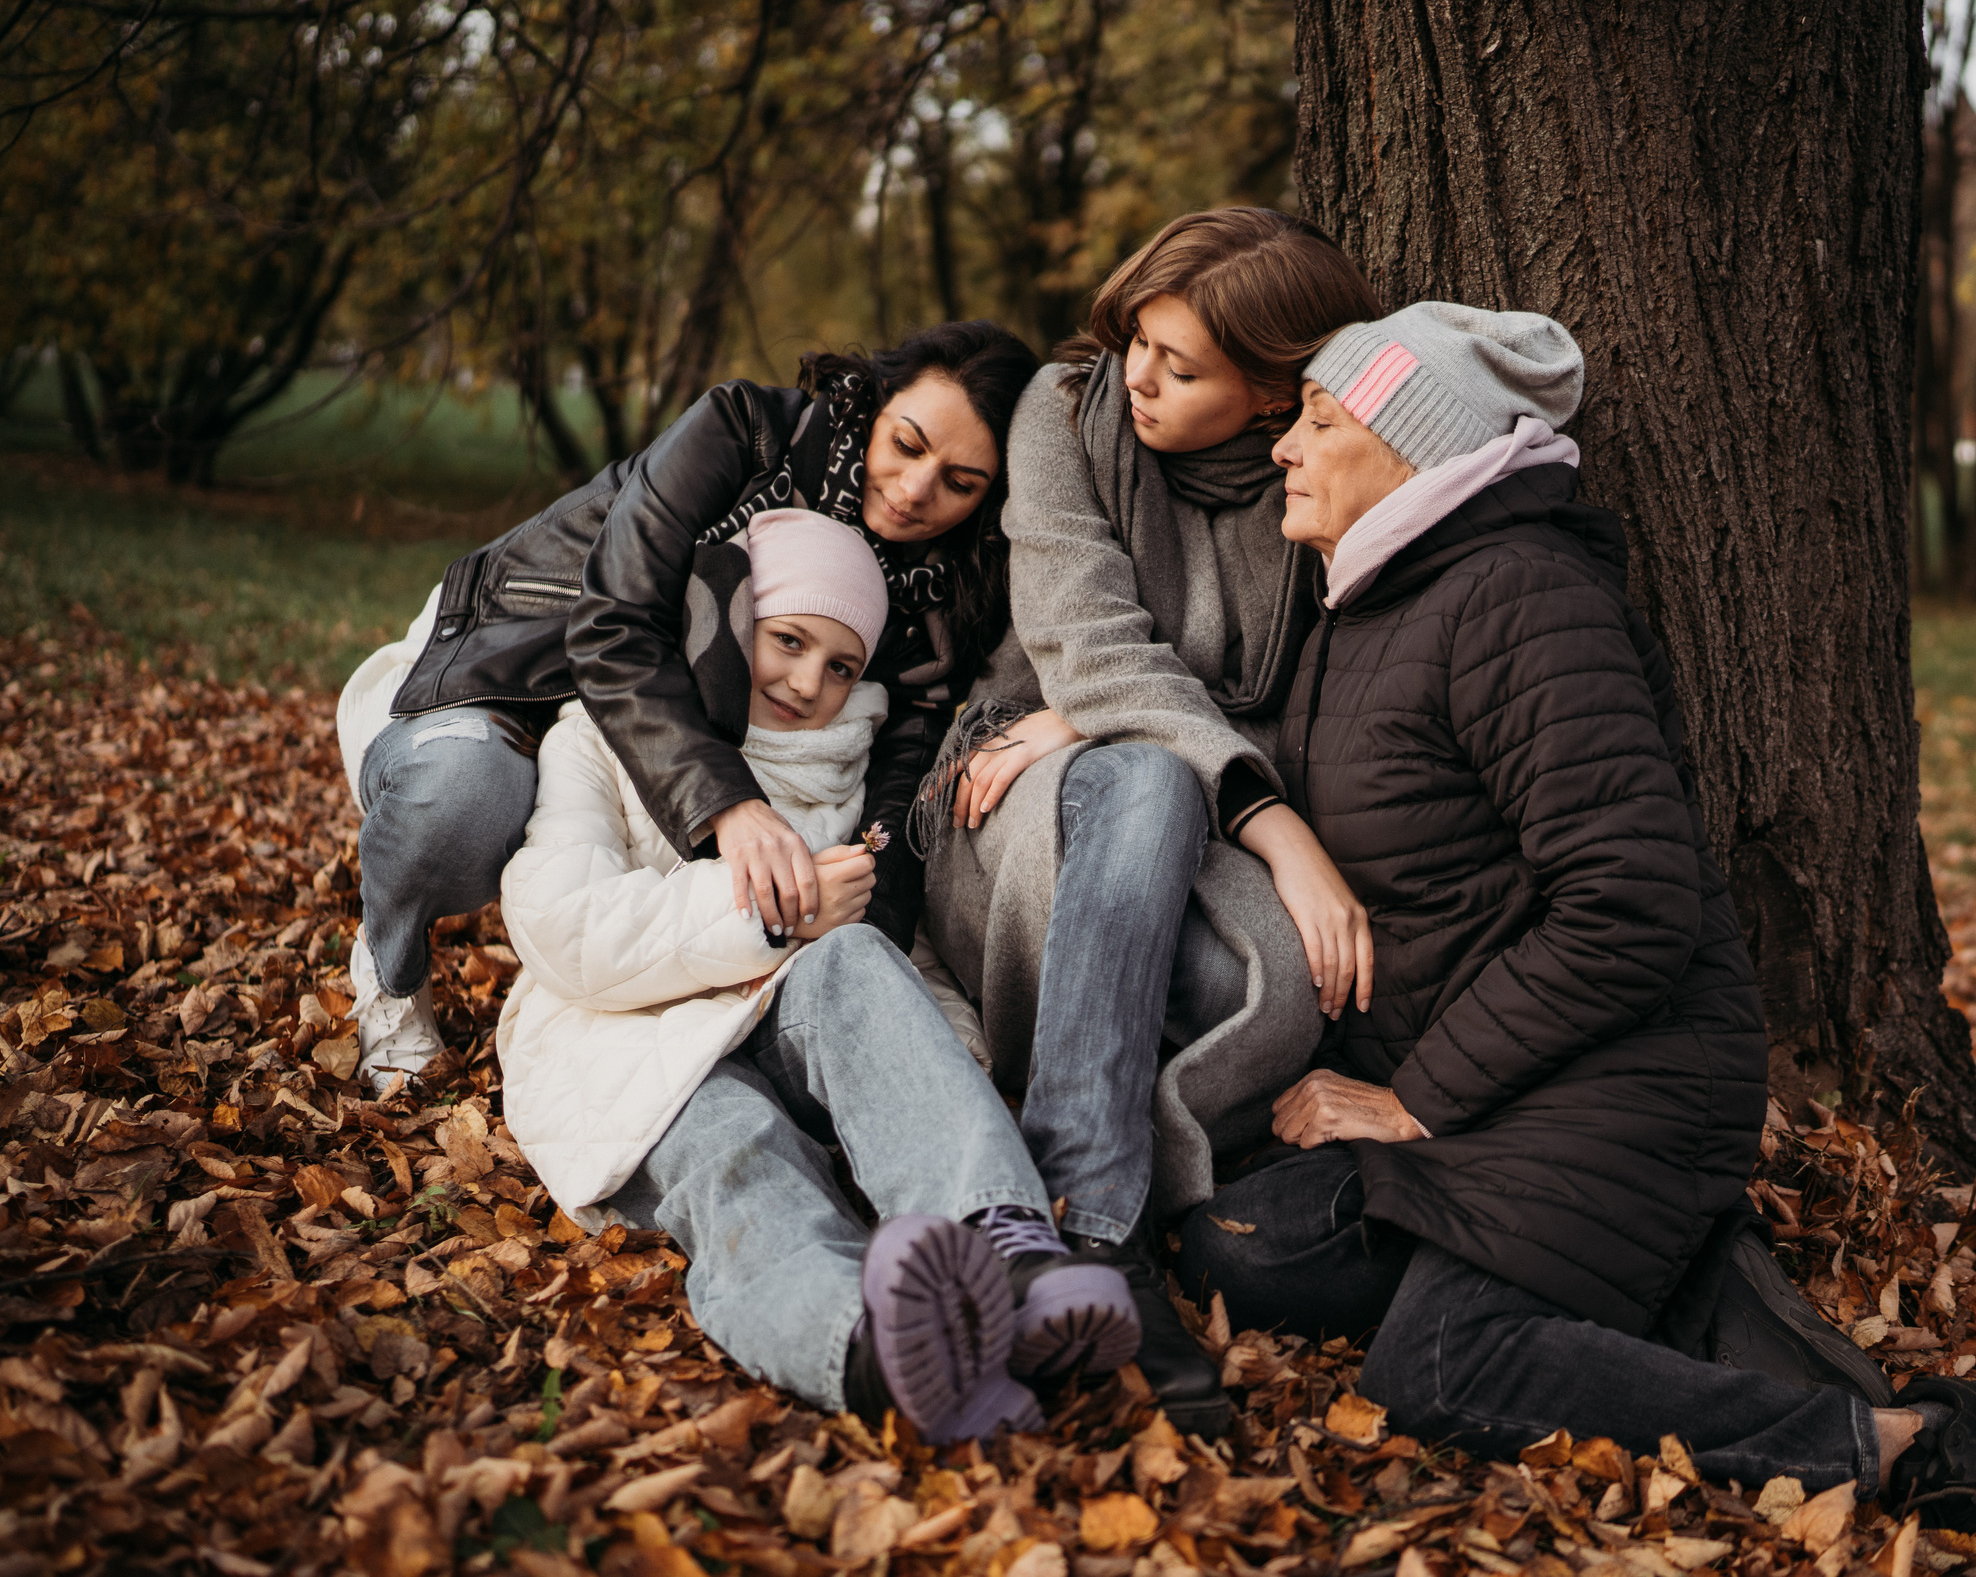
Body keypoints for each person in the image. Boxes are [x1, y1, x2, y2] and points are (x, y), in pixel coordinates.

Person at [1179, 303, 1976, 1575]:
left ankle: (1909, 1442)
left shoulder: (1514, 598)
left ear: (1412, 446)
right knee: (1236, 1244)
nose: (1285, 444)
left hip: (1621, 1080)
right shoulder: (1374, 599)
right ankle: (1685, 1291)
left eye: (1322, 419)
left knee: (1438, 1369)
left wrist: (1413, 1100)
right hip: (1508, 1088)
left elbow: (1632, 905)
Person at [497, 510, 1138, 1438]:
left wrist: (926, 1066)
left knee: (851, 954)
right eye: (787, 641)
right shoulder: (600, 737)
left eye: (841, 665)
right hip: (622, 1041)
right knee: (734, 1151)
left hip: (775, 1025)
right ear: (734, 625)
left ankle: (1007, 1248)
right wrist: (765, 912)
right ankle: (874, 1347)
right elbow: (563, 926)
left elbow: (890, 960)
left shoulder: (856, 777)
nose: (808, 683)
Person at [919, 209, 1381, 1431]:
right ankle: (1097, 1229)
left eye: (1181, 369)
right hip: (1010, 785)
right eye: (1140, 343)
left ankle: (1094, 1158)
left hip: (1189, 807)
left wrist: (1111, 708)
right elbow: (1080, 635)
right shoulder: (1065, 415)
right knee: (1148, 779)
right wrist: (1274, 829)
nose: (1141, 377)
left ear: (1278, 391)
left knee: (1275, 979)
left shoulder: (1315, 478)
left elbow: (1306, 706)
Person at [334, 322, 1038, 1092]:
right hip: (527, 672)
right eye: (906, 444)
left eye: (960, 482)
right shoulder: (745, 432)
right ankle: (390, 959)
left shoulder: (946, 591)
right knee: (466, 799)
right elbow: (612, 626)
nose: (913, 491)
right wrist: (728, 806)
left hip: (657, 735)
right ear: (875, 401)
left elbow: (905, 768)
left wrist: (871, 928)